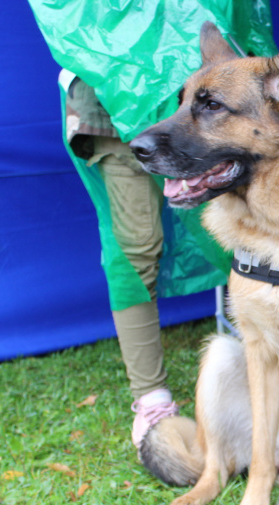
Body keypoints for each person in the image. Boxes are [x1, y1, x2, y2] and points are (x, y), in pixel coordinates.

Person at [61, 71, 178, 449]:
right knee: (135, 249)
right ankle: (152, 400)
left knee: (245, 231)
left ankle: (267, 375)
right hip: (111, 92)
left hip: (198, 86)